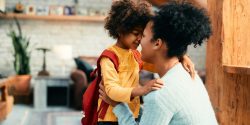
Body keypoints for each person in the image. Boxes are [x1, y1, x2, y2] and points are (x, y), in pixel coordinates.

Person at [99, 1, 218, 125]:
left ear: (157, 43)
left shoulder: (158, 96)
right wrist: (181, 56)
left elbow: (160, 102)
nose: (139, 41)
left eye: (143, 35)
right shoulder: (190, 74)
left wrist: (117, 105)